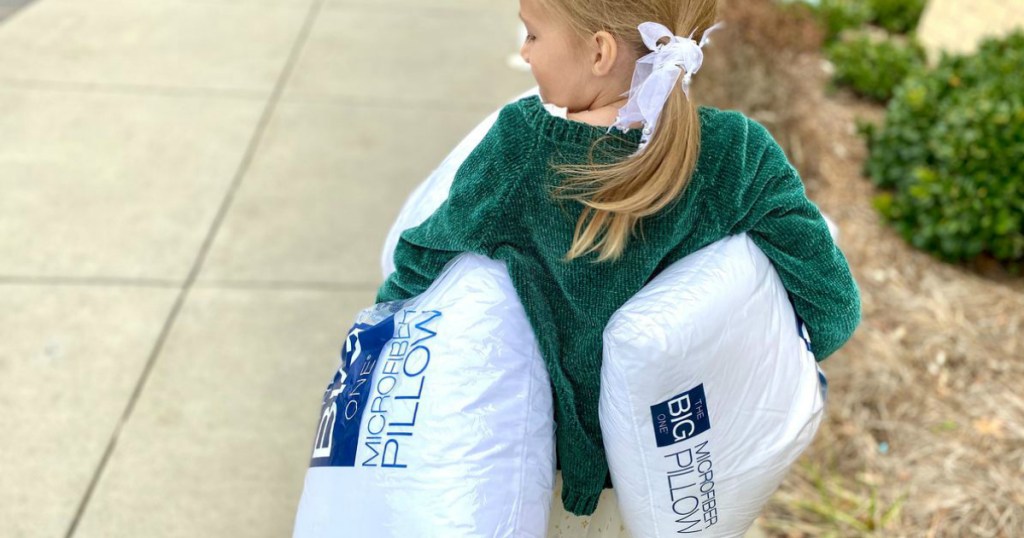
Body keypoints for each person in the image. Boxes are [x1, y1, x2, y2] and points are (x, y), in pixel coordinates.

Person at [375, 0, 861, 518]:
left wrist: (374, 349)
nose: (524, 51)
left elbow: (419, 267)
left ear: (600, 51)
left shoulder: (520, 148)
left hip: (540, 486)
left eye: (533, 36)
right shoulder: (739, 154)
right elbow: (833, 311)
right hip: (681, 486)